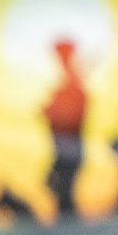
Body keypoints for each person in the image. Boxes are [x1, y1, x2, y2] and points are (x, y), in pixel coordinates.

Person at [41, 38, 87, 221]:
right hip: (63, 147)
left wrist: (51, 109)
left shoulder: (72, 80)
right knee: (58, 188)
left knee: (62, 192)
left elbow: (71, 113)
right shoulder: (70, 79)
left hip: (68, 147)